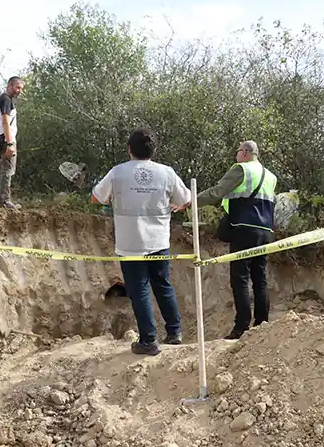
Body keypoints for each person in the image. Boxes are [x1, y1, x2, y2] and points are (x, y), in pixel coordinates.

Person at [92, 128, 191, 355]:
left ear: (129, 150)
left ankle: (148, 340)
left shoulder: (118, 173)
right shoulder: (166, 172)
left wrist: (113, 200)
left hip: (130, 244)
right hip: (158, 241)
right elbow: (186, 199)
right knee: (163, 285)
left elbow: (96, 197)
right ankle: (174, 333)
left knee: (140, 291)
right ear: (152, 150)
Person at [195, 140, 277, 340]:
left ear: (246, 153)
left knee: (240, 278)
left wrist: (191, 201)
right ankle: (262, 323)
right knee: (260, 278)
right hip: (266, 231)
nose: (236, 155)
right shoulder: (271, 176)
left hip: (244, 228)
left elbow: (217, 192)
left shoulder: (241, 169)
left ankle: (241, 327)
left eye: (238, 151)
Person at [0, 76, 24, 210]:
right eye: (17, 87)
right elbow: (5, 122)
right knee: (8, 170)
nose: (19, 91)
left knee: (8, 169)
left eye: (21, 88)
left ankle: (2, 199)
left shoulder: (4, 99)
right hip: (4, 139)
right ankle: (4, 201)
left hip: (1, 138)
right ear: (10, 85)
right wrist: (10, 143)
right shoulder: (5, 100)